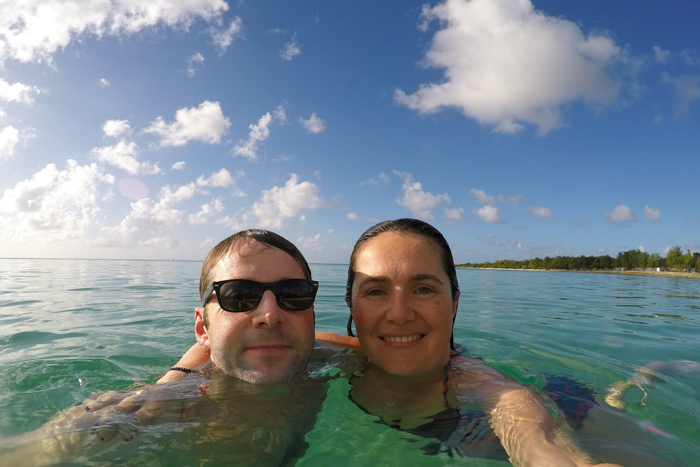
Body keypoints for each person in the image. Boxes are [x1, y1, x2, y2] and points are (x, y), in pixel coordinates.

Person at [170, 219, 621, 466]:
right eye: (376, 290)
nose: (399, 312)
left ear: (455, 303)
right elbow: (246, 342)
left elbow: (525, 422)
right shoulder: (338, 355)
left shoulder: (483, 384)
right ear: (353, 306)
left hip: (567, 404)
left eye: (424, 288)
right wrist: (171, 383)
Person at [0, 229, 329, 466]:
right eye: (239, 296)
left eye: (294, 294)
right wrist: (169, 385)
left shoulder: (341, 362)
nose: (270, 315)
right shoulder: (138, 415)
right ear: (203, 328)